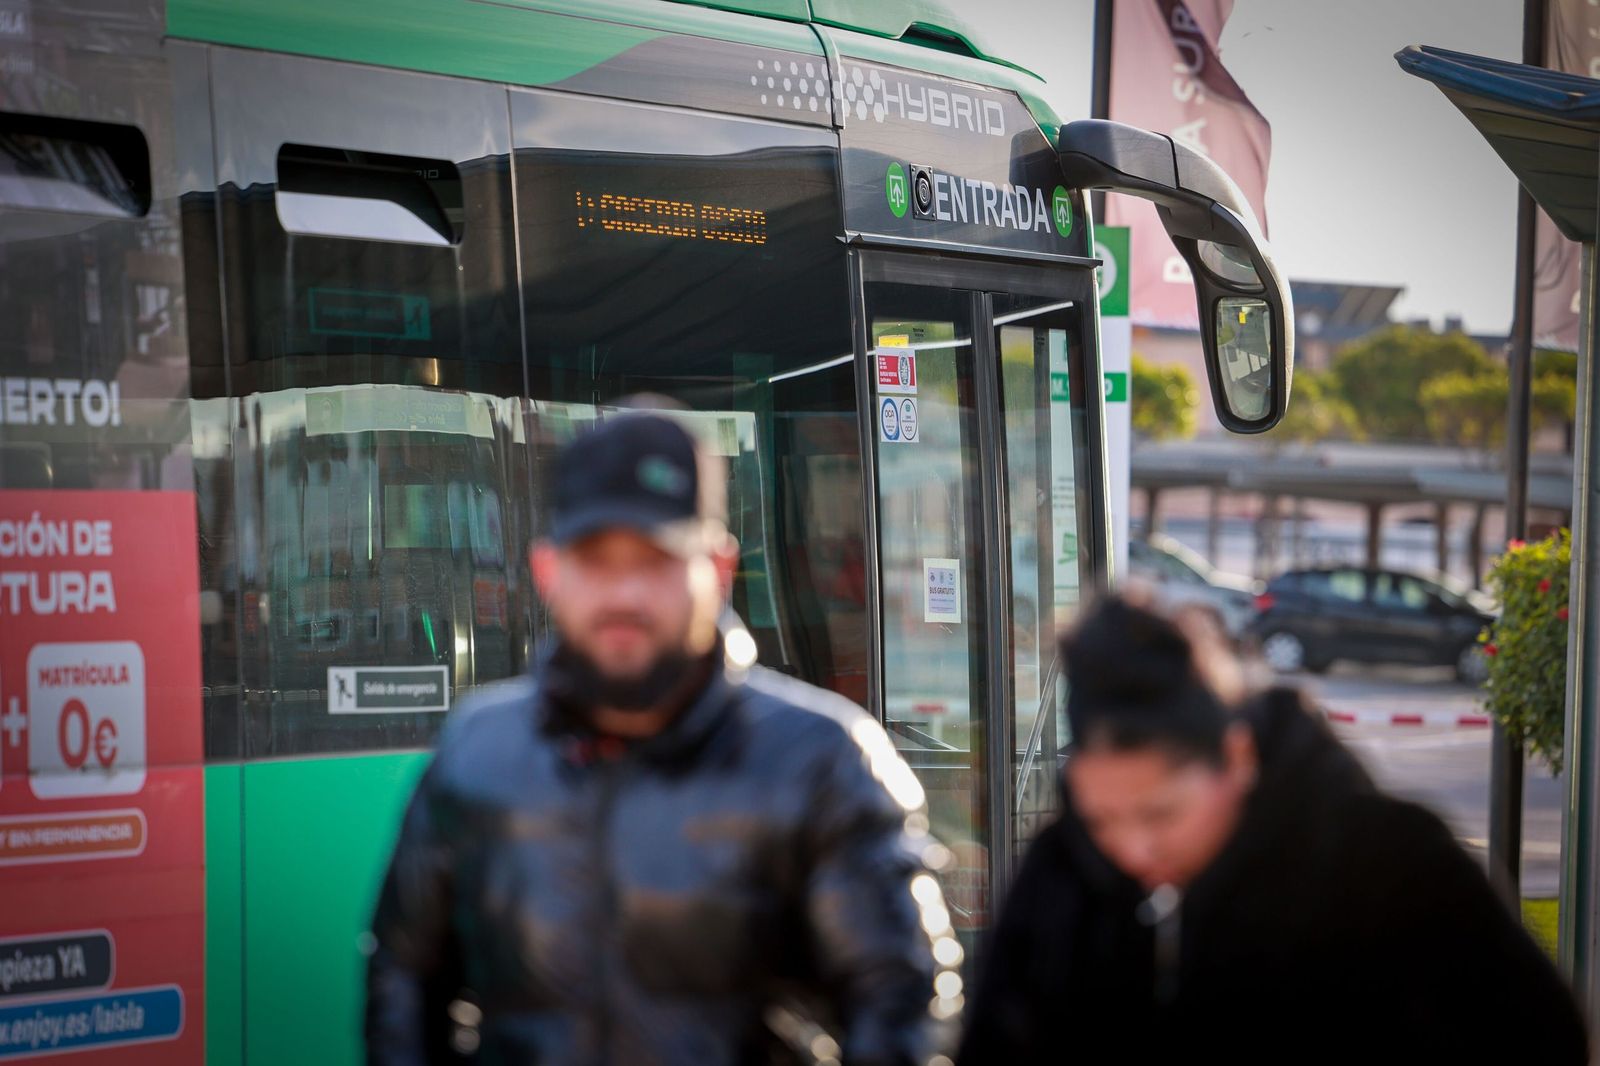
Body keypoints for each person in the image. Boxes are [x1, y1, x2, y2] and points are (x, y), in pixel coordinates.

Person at [366, 408, 954, 1066]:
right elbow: (403, 980)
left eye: (657, 559)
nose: (625, 593)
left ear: (720, 566)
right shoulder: (475, 752)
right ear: (547, 570)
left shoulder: (821, 757)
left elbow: (900, 1000)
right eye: (596, 560)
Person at [957, 591, 1587, 1063]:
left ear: (1237, 757)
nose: (1132, 846)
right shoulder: (1058, 876)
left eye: (1161, 814)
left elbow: (1547, 1037)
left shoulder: (1391, 864)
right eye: (1101, 818)